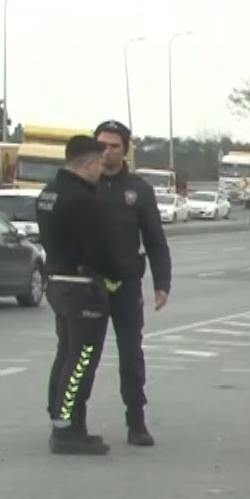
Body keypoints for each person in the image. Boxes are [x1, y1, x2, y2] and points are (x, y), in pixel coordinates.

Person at [37, 136, 125, 456]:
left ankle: (60, 417)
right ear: (88, 164)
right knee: (82, 358)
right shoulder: (83, 200)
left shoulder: (48, 194)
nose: (102, 172)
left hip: (57, 282)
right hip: (81, 284)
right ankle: (68, 430)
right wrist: (118, 272)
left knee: (67, 353)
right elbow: (97, 248)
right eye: (100, 165)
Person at [91, 120, 173, 447]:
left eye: (113, 145)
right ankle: (69, 418)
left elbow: (155, 238)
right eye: (101, 144)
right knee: (81, 355)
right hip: (88, 285)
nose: (106, 151)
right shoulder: (84, 183)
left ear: (125, 149)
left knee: (131, 354)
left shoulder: (138, 190)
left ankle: (136, 421)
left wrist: (161, 282)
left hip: (125, 285)